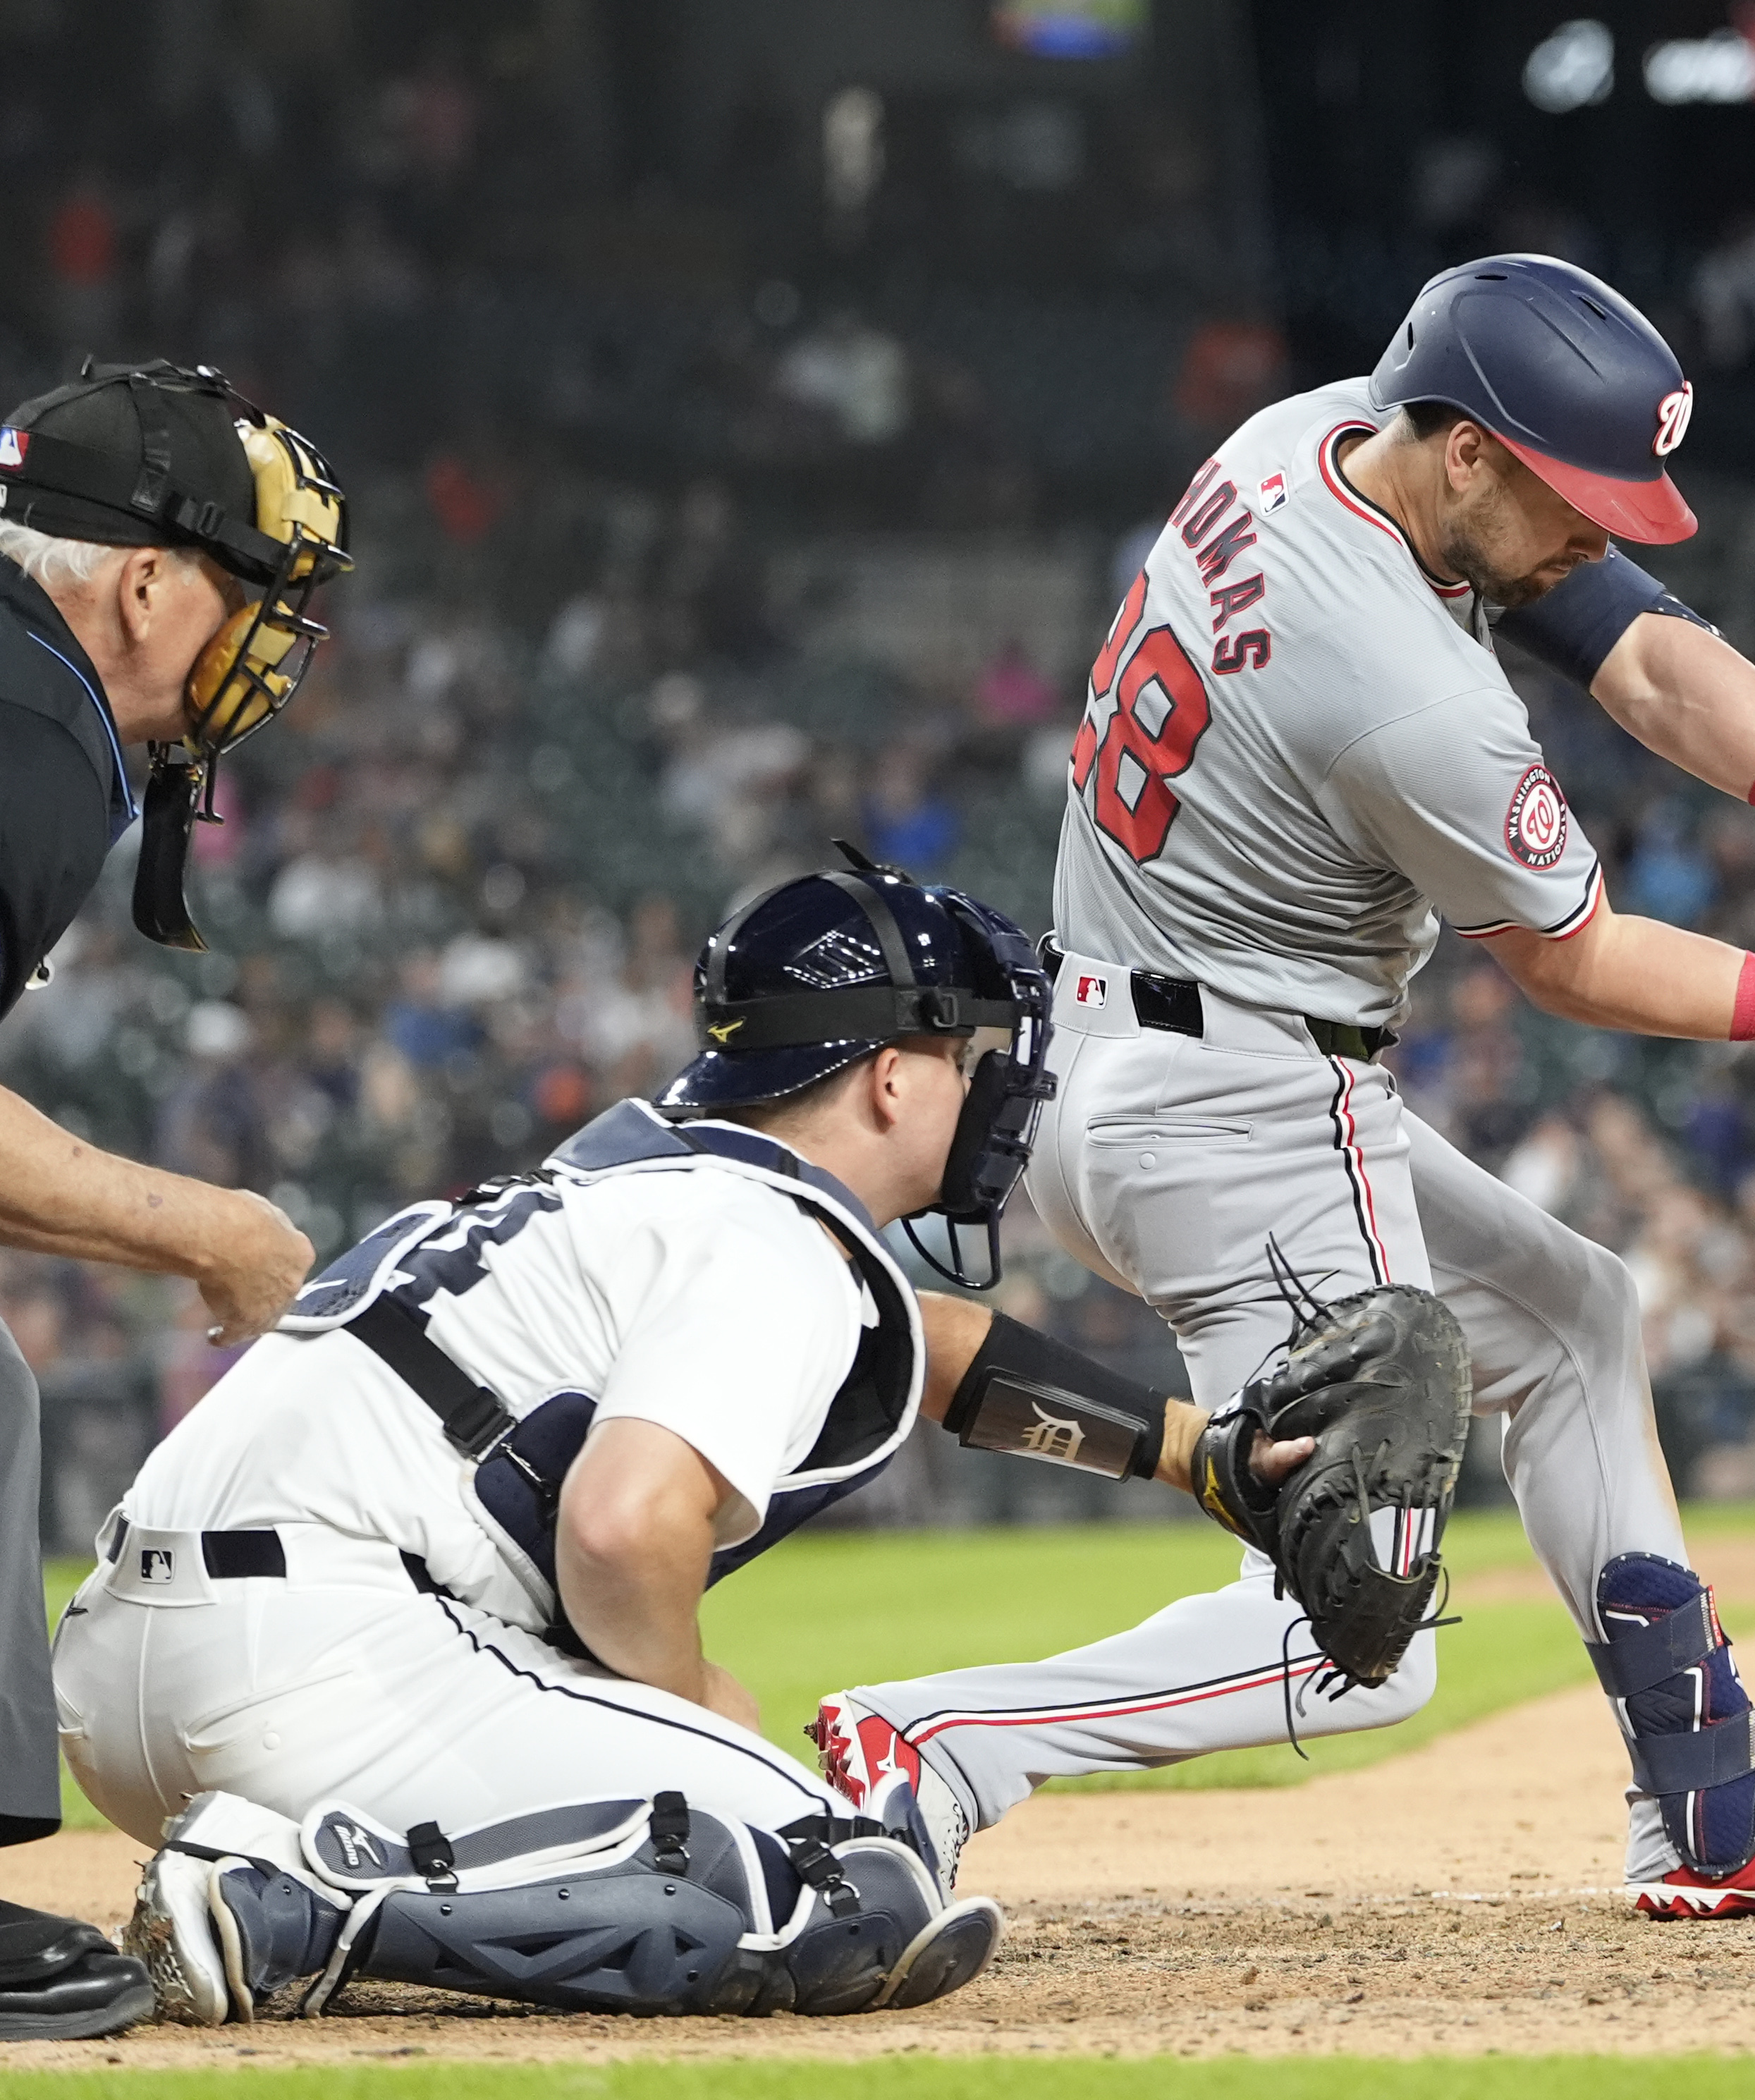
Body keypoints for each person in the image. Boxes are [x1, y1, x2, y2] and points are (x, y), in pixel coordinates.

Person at [813, 254, 1755, 1922]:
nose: (1599, 538)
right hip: (1241, 1113)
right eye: (1576, 496)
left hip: (1138, 1055)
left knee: (1575, 1316)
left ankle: (1710, 1804)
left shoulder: (1311, 439)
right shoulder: (1406, 690)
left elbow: (1653, 661)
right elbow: (1580, 964)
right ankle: (942, 1740)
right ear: (1468, 449)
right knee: (1356, 1640)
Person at [56, 860, 1207, 2026]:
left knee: (724, 1828)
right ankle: (292, 1902)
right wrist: (685, 1699)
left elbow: (923, 1344)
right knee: (850, 1882)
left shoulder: (643, 1185)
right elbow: (622, 1523)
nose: (983, 1091)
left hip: (123, 1682)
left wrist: (1191, 1450)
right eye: (967, 1059)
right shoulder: (776, 1240)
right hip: (315, 1672)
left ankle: (290, 1866)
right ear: (894, 1077)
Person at [0, 360, 349, 2039]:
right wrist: (202, 1224)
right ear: (143, 580)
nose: (270, 647)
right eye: (254, 595)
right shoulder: (36, 711)